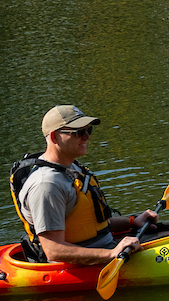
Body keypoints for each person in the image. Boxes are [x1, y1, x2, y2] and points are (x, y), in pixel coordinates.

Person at [9, 105, 157, 269]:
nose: (86, 137)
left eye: (88, 130)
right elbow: (53, 250)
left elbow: (91, 223)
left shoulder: (71, 168)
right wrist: (111, 253)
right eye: (78, 132)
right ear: (54, 137)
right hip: (80, 266)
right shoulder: (46, 185)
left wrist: (133, 221)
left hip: (107, 248)